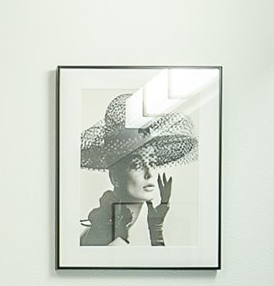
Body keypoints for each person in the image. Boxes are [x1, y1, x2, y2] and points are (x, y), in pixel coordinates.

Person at [78, 93, 197, 248]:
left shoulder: (117, 225)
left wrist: (156, 229)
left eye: (152, 162)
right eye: (136, 165)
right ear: (114, 177)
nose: (149, 174)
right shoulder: (112, 238)